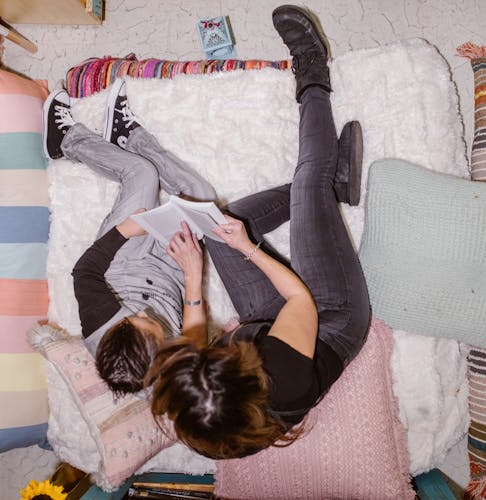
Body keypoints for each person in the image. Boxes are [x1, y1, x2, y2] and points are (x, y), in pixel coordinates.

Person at [146, 5, 371, 459]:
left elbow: (192, 354)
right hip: (329, 316)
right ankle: (313, 72)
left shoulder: (204, 417)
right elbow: (299, 301)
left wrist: (194, 275)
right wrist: (249, 251)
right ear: (238, 371)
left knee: (220, 228)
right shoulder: (284, 377)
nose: (205, 346)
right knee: (306, 179)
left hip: (266, 329)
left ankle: (333, 185)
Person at [42, 79, 216, 397]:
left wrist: (127, 230)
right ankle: (128, 137)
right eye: (147, 322)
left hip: (123, 260)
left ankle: (65, 140)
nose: (137, 312)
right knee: (202, 198)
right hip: (173, 276)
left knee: (142, 174)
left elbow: (85, 271)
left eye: (129, 318)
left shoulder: (101, 326)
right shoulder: (175, 377)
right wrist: (192, 274)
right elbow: (196, 341)